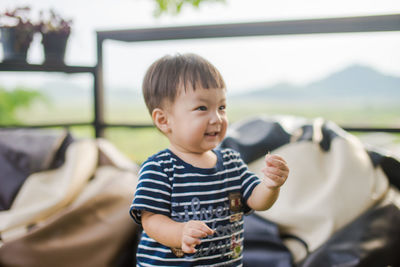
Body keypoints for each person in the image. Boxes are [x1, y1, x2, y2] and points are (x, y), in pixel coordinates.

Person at [130, 53, 289, 266]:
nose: (217, 118)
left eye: (221, 107)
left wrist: (270, 185)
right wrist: (180, 232)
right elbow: (151, 220)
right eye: (202, 108)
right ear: (164, 120)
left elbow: (256, 201)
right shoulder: (159, 168)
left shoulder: (231, 163)